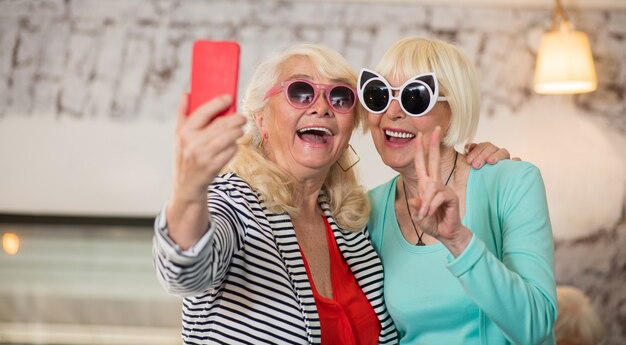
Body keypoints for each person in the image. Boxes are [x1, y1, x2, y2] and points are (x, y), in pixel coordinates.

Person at [153, 42, 508, 345]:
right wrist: (190, 187)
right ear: (261, 118)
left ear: (349, 127)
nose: (321, 106)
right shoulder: (233, 201)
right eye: (300, 92)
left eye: (340, 97)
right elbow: (184, 270)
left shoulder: (351, 221)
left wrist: (473, 163)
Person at [359, 37, 558, 345]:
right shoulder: (368, 211)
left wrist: (458, 241)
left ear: (454, 109)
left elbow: (535, 327)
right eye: (379, 95)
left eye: (415, 97)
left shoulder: (513, 183)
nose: (393, 112)